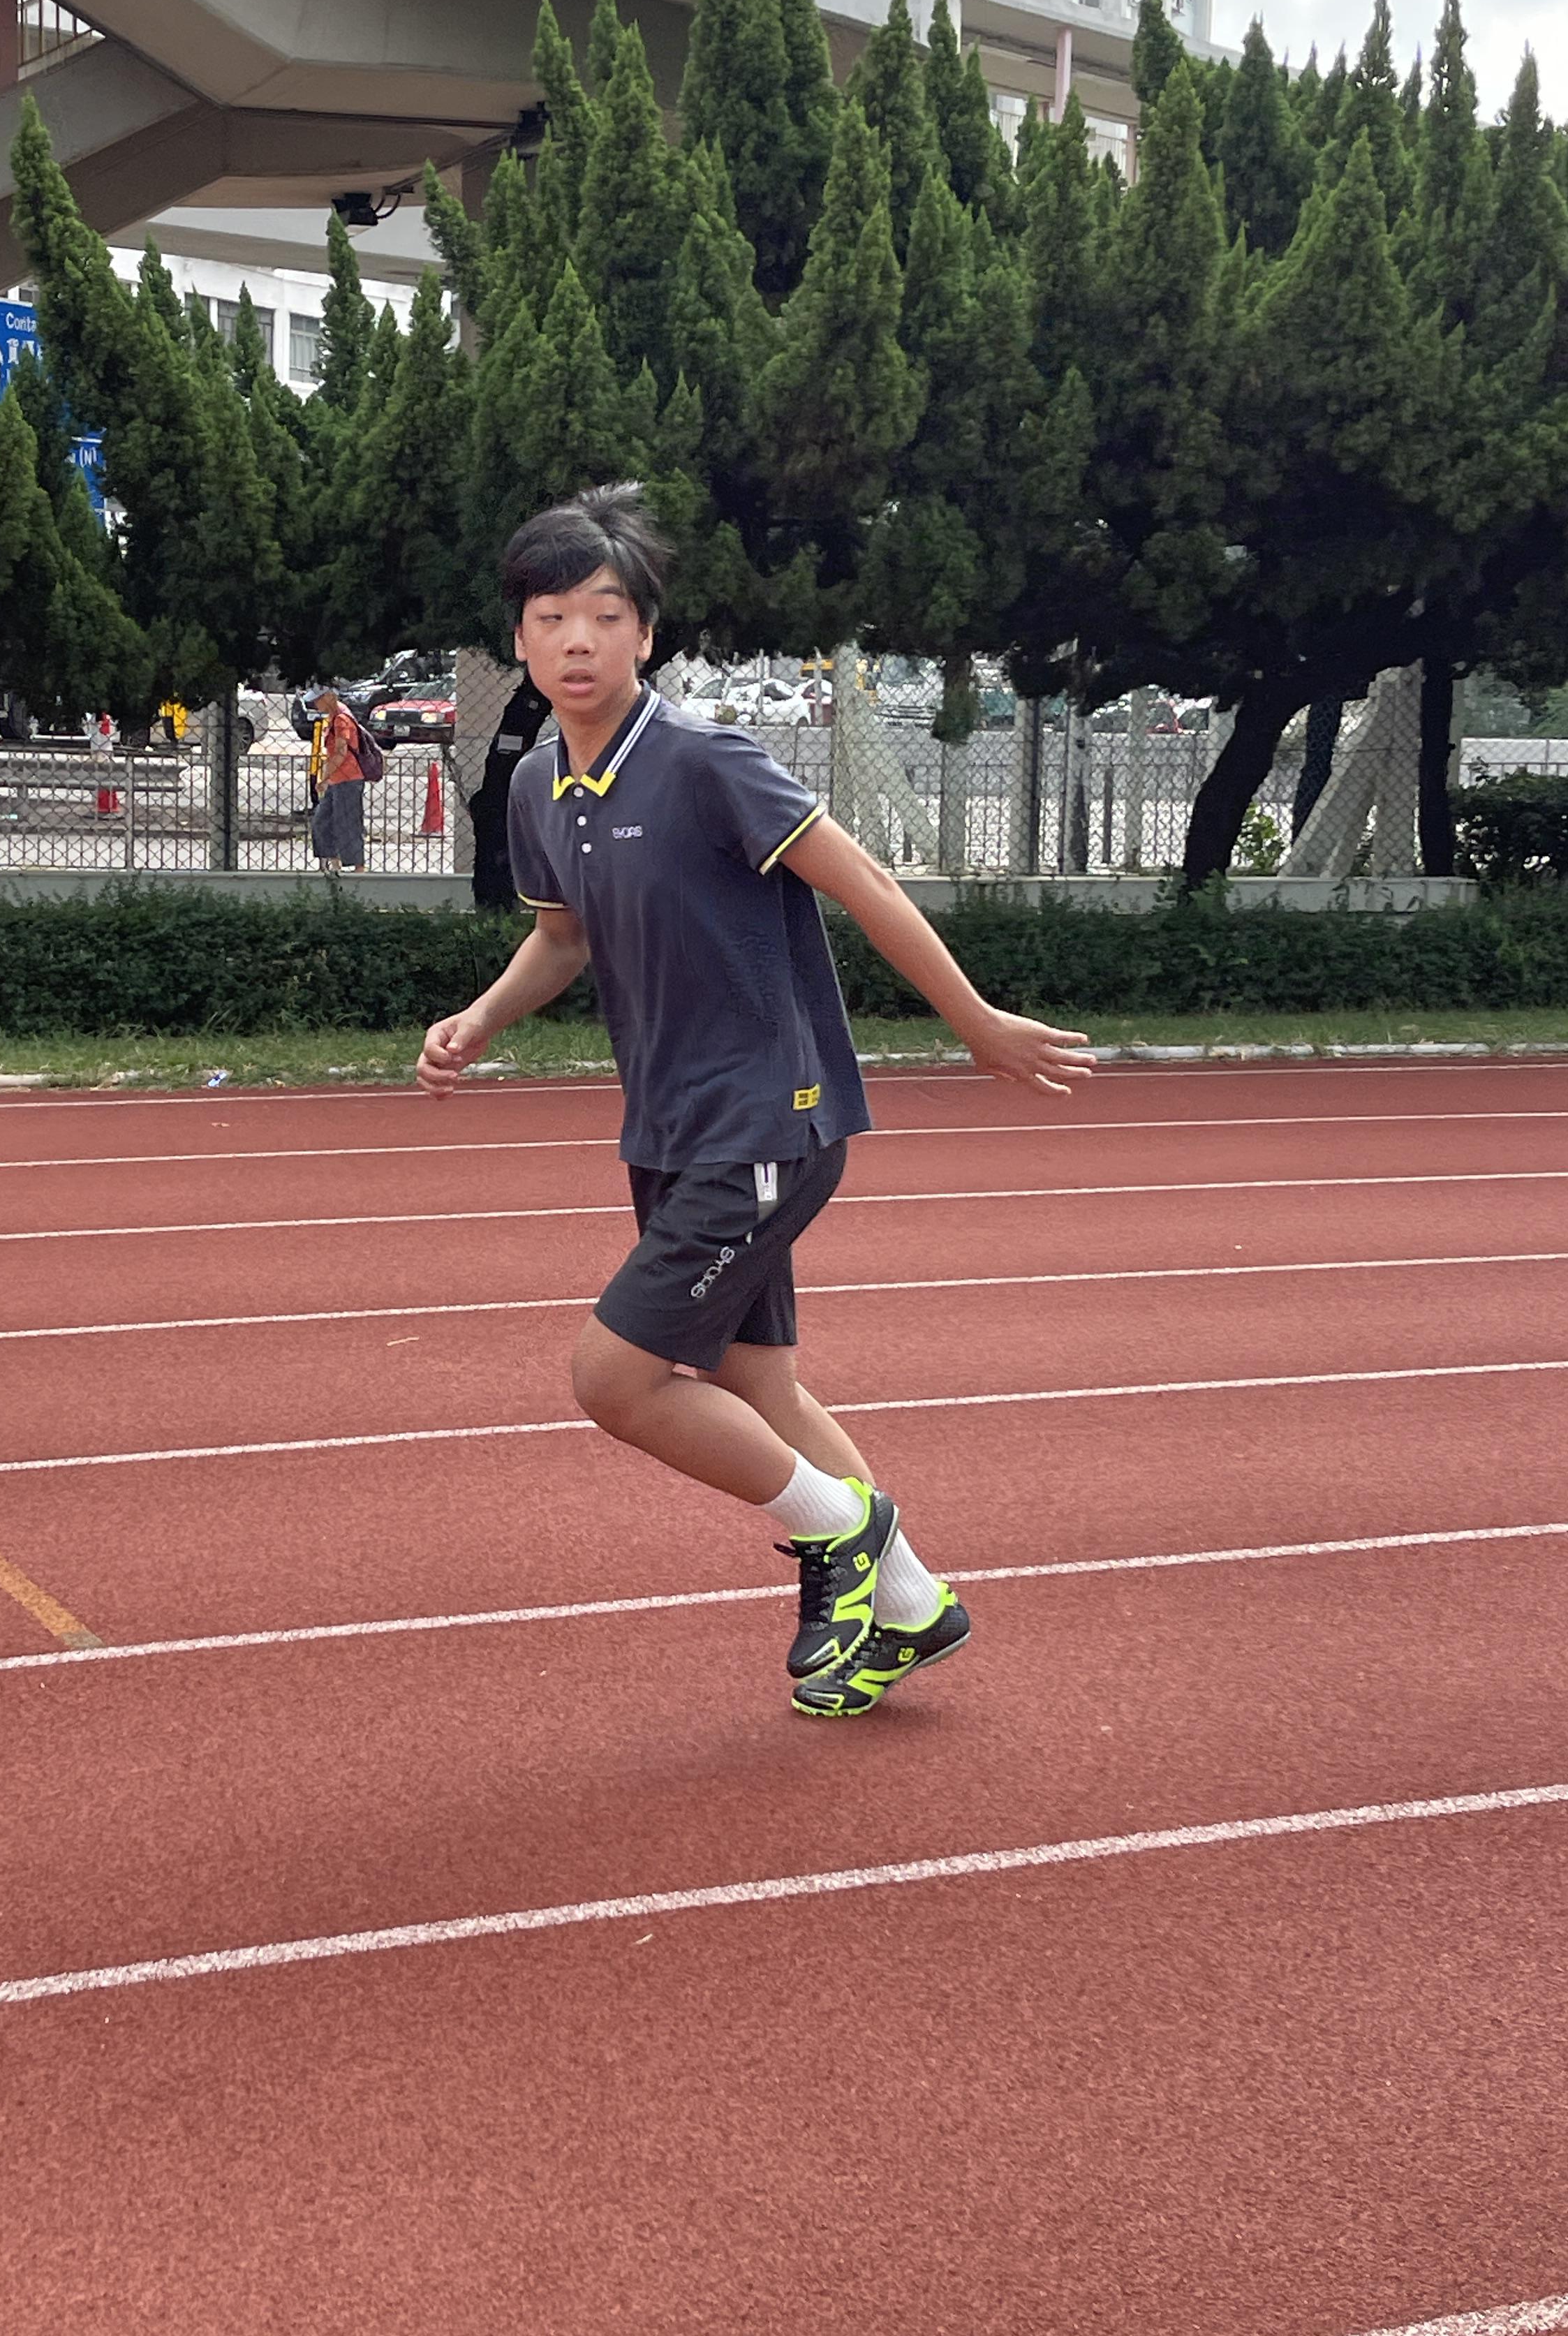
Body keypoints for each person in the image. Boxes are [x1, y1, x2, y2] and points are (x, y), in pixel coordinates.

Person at [417, 487, 1093, 1718]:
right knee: (755, 1385)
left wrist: (974, 1020)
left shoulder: (705, 761)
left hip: (768, 1119)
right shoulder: (538, 785)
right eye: (550, 617)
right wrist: (480, 1017)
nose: (577, 640)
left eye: (604, 614)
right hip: (669, 1126)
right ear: (517, 638)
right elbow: (561, 939)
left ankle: (840, 1533)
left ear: (646, 633)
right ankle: (913, 1604)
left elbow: (863, 878)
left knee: (614, 1378)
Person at [309, 686, 373, 872]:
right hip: (336, 779)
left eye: (319, 699)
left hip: (348, 777)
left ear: (330, 696)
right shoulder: (334, 716)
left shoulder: (341, 719)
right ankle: (334, 862)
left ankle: (358, 867)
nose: (315, 703)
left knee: (348, 823)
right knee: (322, 821)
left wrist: (324, 777)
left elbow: (340, 752)